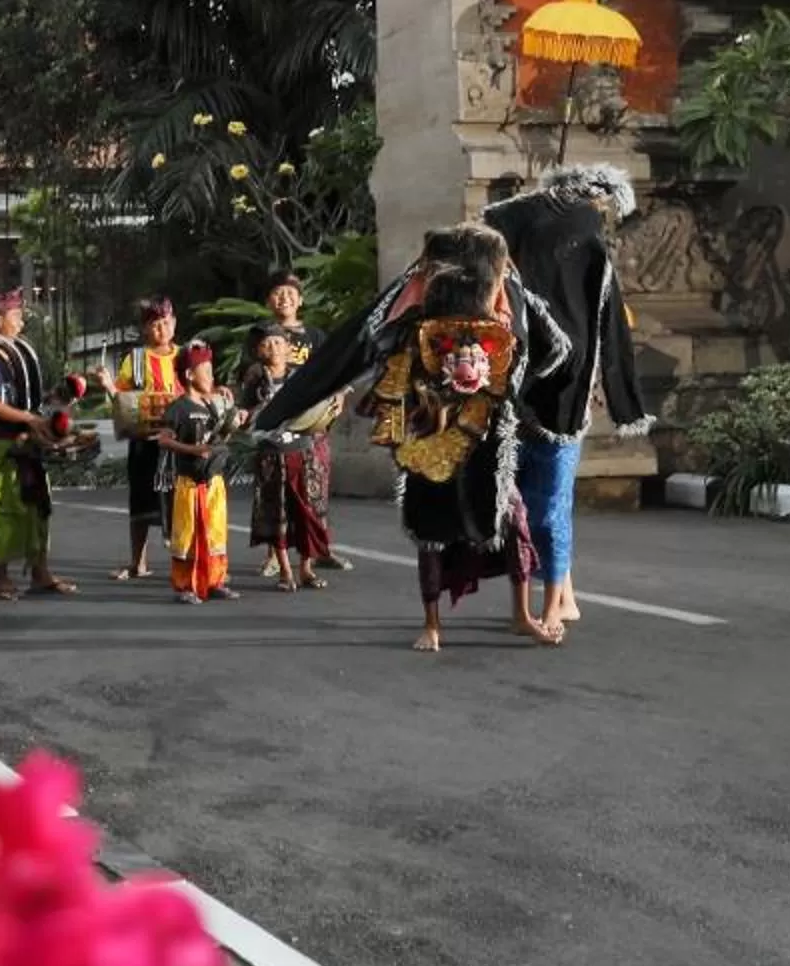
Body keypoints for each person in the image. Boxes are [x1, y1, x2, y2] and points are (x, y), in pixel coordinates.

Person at [248, 224, 570, 651]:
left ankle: (512, 617)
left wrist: (509, 382)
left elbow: (552, 348)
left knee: (502, 520)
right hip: (431, 422)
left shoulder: (492, 291)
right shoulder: (422, 293)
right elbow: (556, 350)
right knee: (437, 526)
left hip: (478, 428)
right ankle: (441, 623)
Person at [483, 164, 652, 642]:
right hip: (517, 393)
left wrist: (607, 388)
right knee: (519, 506)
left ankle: (554, 601)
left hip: (568, 398)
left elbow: (613, 335)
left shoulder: (593, 267)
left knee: (551, 505)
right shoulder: (509, 281)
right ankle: (546, 598)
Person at [0, 290, 75, 602]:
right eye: (16, 316)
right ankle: (1, 576)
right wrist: (29, 418)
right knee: (1, 507)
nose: (22, 322)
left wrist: (58, 396)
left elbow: (26, 397)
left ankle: (40, 572)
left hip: (28, 439)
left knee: (38, 503)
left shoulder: (18, 350)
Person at [252, 271, 347, 576]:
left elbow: (334, 369)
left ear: (301, 300)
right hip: (276, 428)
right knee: (274, 491)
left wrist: (340, 392)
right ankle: (273, 555)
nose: (284, 298)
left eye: (290, 293)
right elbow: (247, 374)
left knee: (315, 489)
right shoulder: (261, 334)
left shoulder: (315, 336)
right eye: (277, 293)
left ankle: (319, 550)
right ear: (269, 300)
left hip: (312, 427)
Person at [241, 322, 329, 591]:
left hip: (303, 451)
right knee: (275, 513)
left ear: (289, 348)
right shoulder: (255, 379)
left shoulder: (301, 377)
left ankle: (306, 569)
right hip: (271, 454)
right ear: (259, 350)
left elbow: (319, 403)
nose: (273, 348)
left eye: (278, 342)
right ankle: (285, 571)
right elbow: (245, 415)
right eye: (266, 344)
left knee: (307, 512)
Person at [154, 341, 240, 603]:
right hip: (189, 484)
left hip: (214, 482)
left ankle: (215, 581)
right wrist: (192, 450)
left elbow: (222, 435)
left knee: (215, 533)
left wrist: (235, 419)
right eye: (207, 371)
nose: (212, 376)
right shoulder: (178, 408)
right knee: (187, 535)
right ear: (190, 375)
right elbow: (164, 440)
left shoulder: (213, 405)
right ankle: (185, 587)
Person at [109, 298, 185, 581]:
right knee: (141, 500)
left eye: (166, 323)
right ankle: (137, 562)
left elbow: (204, 385)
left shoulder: (187, 356)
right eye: (155, 324)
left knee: (182, 500)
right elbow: (121, 398)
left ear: (174, 323)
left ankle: (185, 562)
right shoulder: (136, 360)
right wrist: (108, 386)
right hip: (145, 440)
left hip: (180, 442)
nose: (161, 329)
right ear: (145, 329)